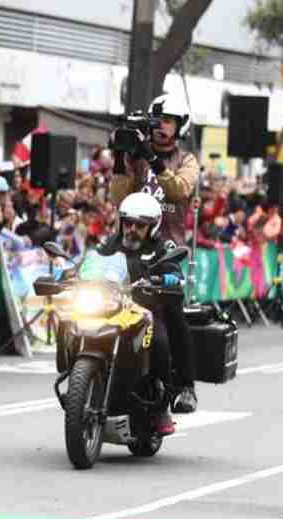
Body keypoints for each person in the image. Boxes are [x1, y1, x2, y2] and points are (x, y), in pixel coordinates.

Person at [109, 93, 200, 414]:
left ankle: (186, 386)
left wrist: (153, 158)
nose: (161, 127)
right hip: (131, 244)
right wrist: (121, 158)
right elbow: (117, 198)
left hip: (168, 251)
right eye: (158, 120)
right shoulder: (137, 157)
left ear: (179, 127)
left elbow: (179, 190)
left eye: (168, 121)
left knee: (172, 314)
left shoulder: (187, 160)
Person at [98, 192, 194, 435]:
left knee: (161, 343)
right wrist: (68, 272)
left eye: (139, 225)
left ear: (152, 226)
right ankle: (82, 380)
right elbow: (89, 263)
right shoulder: (110, 244)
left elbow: (175, 271)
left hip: (146, 311)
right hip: (111, 309)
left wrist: (166, 277)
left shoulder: (161, 248)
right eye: (128, 223)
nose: (131, 229)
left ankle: (165, 404)